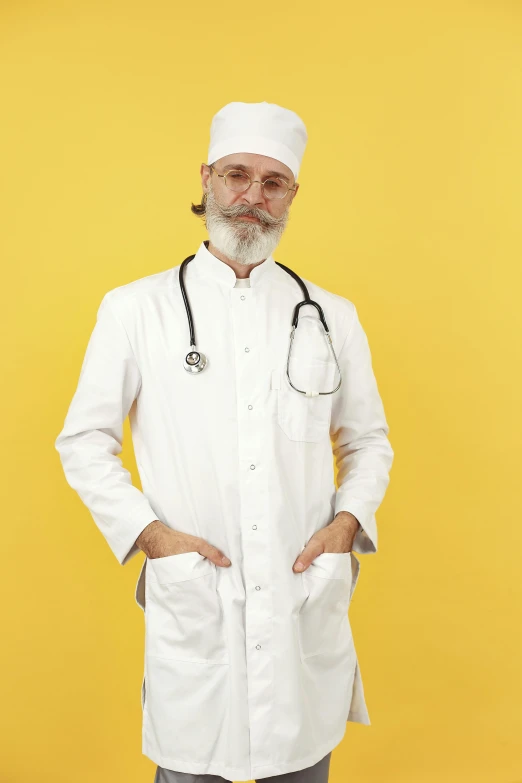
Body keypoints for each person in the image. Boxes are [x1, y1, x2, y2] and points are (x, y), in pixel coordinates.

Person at [55, 100, 394, 783]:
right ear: (207, 177)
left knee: (303, 761)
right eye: (238, 175)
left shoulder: (331, 315)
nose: (253, 198)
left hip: (300, 608)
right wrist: (149, 534)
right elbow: (84, 440)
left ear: (292, 195)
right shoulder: (135, 310)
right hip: (198, 608)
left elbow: (368, 442)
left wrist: (349, 522)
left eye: (274, 183)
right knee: (192, 764)